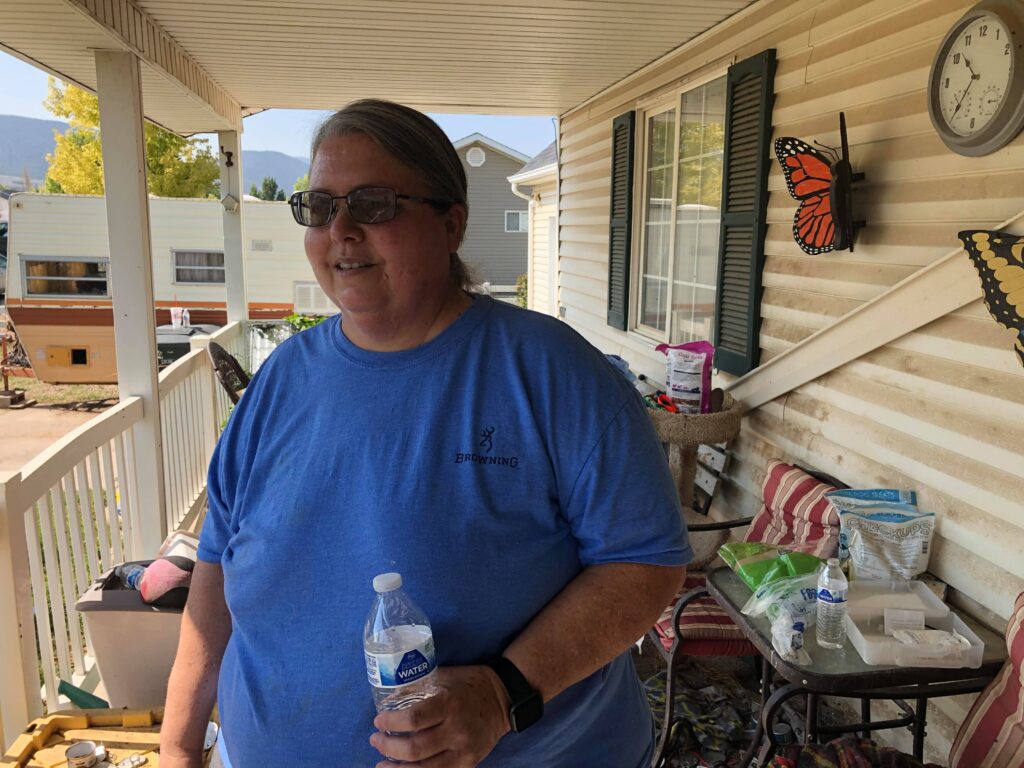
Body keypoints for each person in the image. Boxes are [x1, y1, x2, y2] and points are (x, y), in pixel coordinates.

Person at [160, 99, 693, 768]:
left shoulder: (554, 374)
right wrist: (179, 747)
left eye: (373, 204)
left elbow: (646, 563)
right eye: (321, 207)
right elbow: (214, 577)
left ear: (452, 223)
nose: (342, 230)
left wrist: (504, 695)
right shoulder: (280, 380)